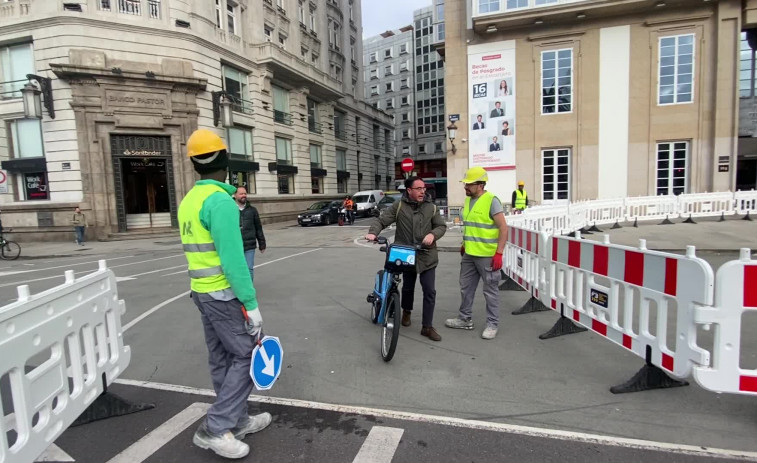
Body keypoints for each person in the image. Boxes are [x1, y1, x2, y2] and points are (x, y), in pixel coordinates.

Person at [178, 129, 271, 459]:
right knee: (247, 356)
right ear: (225, 161)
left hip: (201, 293)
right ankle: (215, 428)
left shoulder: (190, 201)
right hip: (223, 294)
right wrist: (251, 303)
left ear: (194, 164)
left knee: (221, 358)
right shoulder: (221, 203)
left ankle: (239, 419)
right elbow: (234, 262)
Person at [365, 176, 447, 342]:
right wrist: (373, 232)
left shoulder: (431, 207)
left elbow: (441, 226)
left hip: (427, 255)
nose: (422, 191)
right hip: (406, 253)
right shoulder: (399, 206)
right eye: (418, 189)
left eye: (423, 188)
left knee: (429, 291)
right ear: (409, 190)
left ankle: (427, 326)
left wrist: (432, 234)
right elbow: (382, 220)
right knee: (408, 287)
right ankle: (406, 312)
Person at [445, 167, 508, 340]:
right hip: (469, 254)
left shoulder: (491, 200)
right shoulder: (468, 200)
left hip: (487, 255)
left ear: (480, 185)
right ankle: (464, 319)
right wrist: (465, 243)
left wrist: (499, 253)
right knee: (465, 288)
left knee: (490, 291)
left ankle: (492, 324)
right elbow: (471, 225)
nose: (465, 187)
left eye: (468, 184)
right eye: (465, 184)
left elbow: (503, 228)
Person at [235, 186, 266, 282]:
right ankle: (239, 290)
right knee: (237, 270)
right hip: (235, 246)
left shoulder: (252, 210)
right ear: (235, 195)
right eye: (241, 194)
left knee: (249, 269)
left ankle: (248, 291)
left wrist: (262, 243)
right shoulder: (230, 209)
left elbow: (258, 227)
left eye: (245, 193)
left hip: (249, 245)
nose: (244, 195)